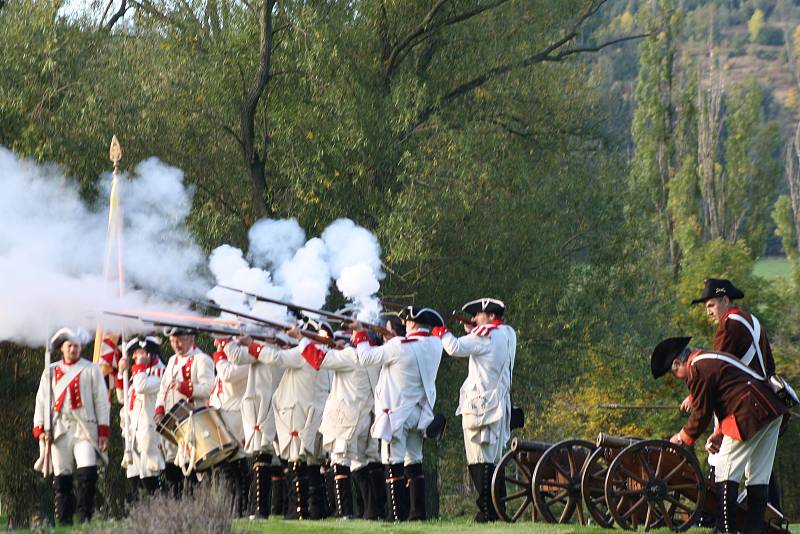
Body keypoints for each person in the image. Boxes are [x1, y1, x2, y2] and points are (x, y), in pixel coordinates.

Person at [652, 336, 788, 534]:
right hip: (770, 410)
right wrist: (718, 433)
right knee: (758, 476)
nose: (678, 377)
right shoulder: (708, 358)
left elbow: (701, 413)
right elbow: (725, 399)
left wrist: (681, 437)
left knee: (724, 470)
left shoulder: (697, 368)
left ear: (677, 363)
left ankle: (725, 530)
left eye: (673, 373)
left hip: (750, 413)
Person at [689, 278, 782, 510]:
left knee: (724, 466)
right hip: (767, 405)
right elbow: (770, 368)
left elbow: (718, 373)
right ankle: (770, 516)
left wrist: (697, 400)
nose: (708, 312)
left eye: (711, 305)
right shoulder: (754, 322)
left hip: (743, 408)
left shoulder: (729, 325)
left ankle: (717, 521)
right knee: (759, 471)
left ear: (725, 300)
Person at [350, 306, 444, 521]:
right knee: (414, 461)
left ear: (411, 323)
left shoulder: (399, 345)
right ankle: (417, 514)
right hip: (420, 414)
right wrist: (390, 337)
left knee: (393, 462)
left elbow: (365, 357)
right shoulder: (435, 345)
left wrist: (360, 333)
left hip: (397, 414)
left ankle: (398, 515)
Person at [236, 321, 332, 520]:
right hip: (309, 412)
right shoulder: (323, 354)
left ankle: (298, 510)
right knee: (305, 463)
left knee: (296, 462)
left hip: (297, 412)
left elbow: (276, 357)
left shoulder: (303, 353)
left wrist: (252, 343)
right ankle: (305, 509)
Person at [432, 298, 516, 522]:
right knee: (494, 461)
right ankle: (499, 509)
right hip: (499, 404)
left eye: (478, 315)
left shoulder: (484, 335)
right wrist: (473, 330)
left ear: (490, 316)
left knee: (479, 460)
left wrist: (441, 332)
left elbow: (454, 347)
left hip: (481, 407)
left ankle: (486, 511)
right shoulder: (508, 333)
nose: (475, 318)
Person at [300, 323, 384, 519]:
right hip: (365, 417)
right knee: (359, 464)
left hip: (345, 418)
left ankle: (345, 512)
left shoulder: (350, 356)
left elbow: (317, 359)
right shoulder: (373, 357)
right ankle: (373, 510)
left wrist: (300, 338)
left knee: (340, 461)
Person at [33, 327, 110, 525]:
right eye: (70, 346)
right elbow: (41, 400)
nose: (74, 349)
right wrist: (40, 428)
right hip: (58, 430)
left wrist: (103, 430)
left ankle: (85, 515)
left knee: (88, 473)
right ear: (62, 348)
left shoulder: (91, 369)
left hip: (84, 428)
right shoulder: (50, 370)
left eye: (76, 346)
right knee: (62, 478)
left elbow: (101, 401)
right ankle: (65, 520)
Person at [154, 327, 214, 497]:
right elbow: (163, 389)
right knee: (172, 463)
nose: (176, 345)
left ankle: (196, 503)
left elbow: (209, 388)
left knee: (193, 465)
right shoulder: (173, 360)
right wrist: (160, 408)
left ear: (191, 339)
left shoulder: (202, 360)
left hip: (193, 421)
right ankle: (177, 504)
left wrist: (186, 387)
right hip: (173, 422)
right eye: (173, 341)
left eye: (179, 340)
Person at [116, 336, 166, 499]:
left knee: (149, 472)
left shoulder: (160, 372)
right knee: (134, 474)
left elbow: (141, 387)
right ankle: (138, 514)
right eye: (136, 353)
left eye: (142, 352)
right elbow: (122, 397)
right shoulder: (139, 373)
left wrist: (138, 367)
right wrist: (121, 374)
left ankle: (161, 510)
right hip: (133, 430)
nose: (137, 356)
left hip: (150, 429)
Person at [209, 336, 250, 517]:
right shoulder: (227, 360)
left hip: (235, 414)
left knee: (237, 463)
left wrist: (220, 352)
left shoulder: (245, 359)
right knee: (227, 467)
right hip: (222, 413)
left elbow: (226, 374)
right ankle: (234, 506)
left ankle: (241, 507)